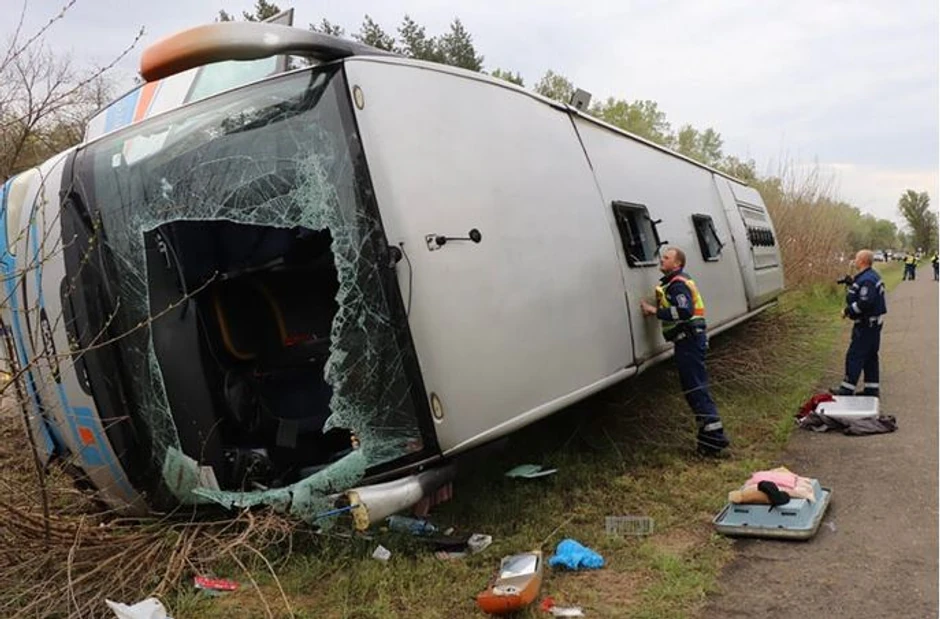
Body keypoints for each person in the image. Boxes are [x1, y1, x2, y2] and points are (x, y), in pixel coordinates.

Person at [640, 247, 730, 456]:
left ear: (677, 263)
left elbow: (685, 310)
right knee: (695, 389)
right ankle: (709, 440)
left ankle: (715, 441)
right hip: (689, 341)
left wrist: (655, 311)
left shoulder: (677, 284)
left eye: (666, 257)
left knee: (696, 389)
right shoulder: (673, 283)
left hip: (689, 341)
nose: (662, 260)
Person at [831, 249, 887, 397]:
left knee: (855, 355)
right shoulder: (869, 276)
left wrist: (847, 311)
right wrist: (852, 284)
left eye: (856, 258)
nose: (854, 261)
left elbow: (865, 302)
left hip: (866, 325)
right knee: (870, 356)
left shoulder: (867, 280)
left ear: (862, 261)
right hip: (872, 324)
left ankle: (847, 388)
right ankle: (871, 389)